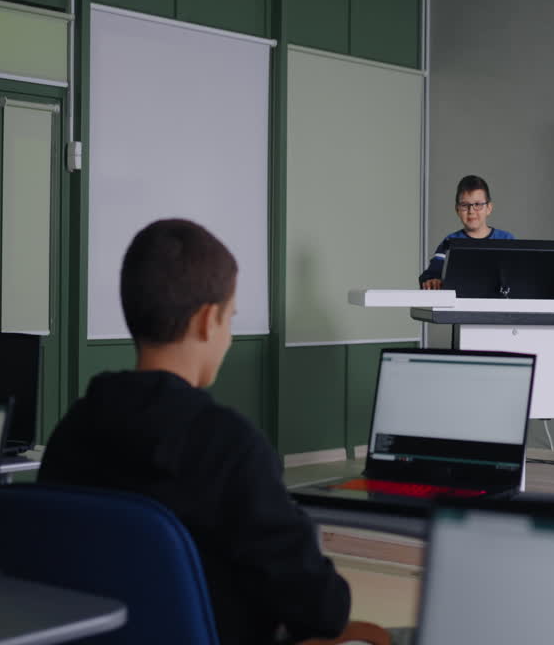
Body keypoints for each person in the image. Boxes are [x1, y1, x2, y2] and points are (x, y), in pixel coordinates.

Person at [40, 219, 370, 645]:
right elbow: (322, 610)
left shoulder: (73, 432)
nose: (229, 336)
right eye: (230, 319)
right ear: (207, 320)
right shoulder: (228, 447)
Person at [419, 174, 514, 289]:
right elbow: (432, 273)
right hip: (461, 306)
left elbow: (519, 276)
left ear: (489, 208)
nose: (471, 211)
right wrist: (431, 280)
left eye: (478, 204)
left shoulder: (506, 240)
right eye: (465, 205)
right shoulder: (450, 242)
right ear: (457, 209)